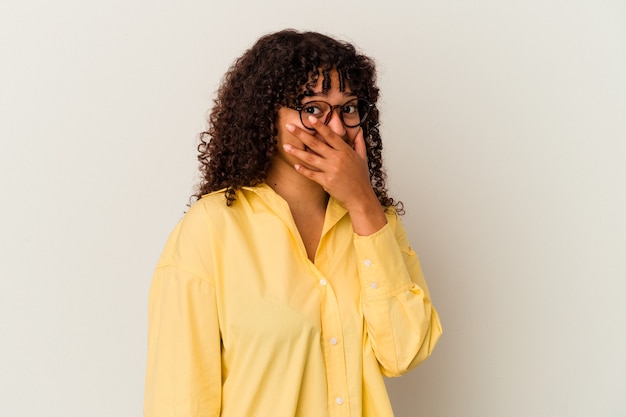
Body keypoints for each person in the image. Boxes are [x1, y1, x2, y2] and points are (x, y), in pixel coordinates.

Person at [144, 29, 442, 417]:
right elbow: (179, 400)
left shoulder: (375, 224)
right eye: (313, 109)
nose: (335, 128)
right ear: (265, 115)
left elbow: (404, 353)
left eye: (348, 108)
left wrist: (363, 202)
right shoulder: (210, 230)